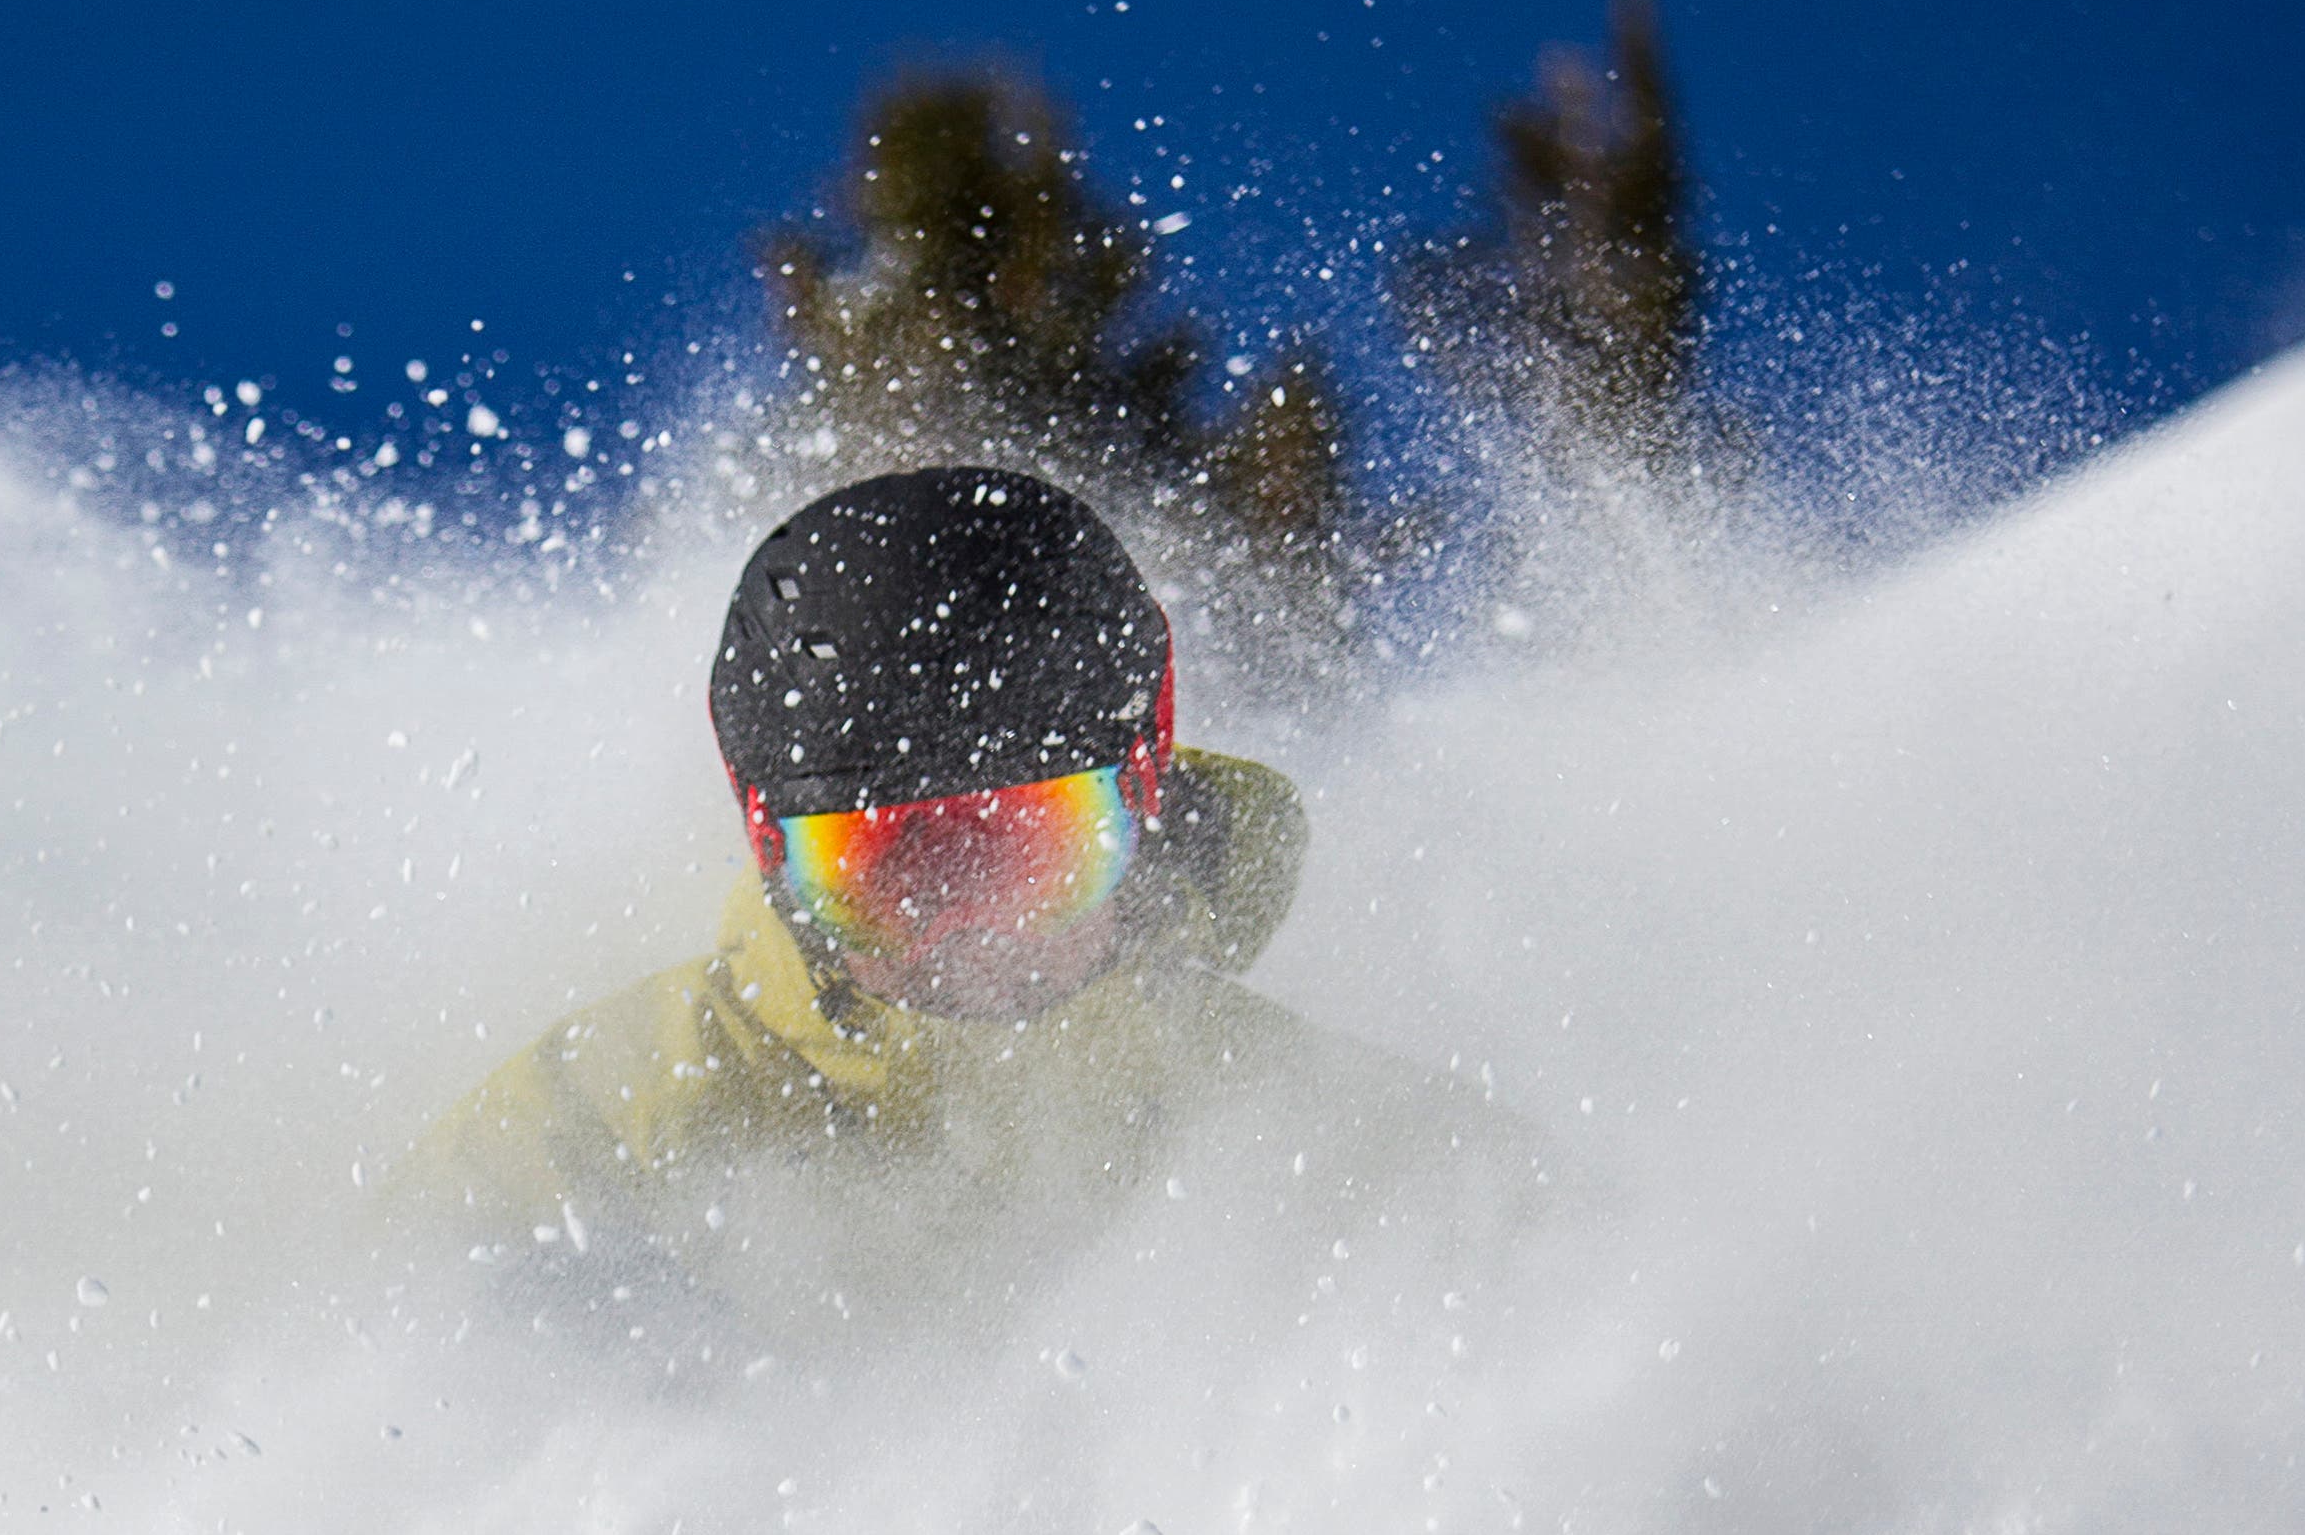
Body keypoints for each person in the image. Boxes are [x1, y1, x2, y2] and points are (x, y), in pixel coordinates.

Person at [400, 463, 1528, 1335]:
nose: (969, 934)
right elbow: (369, 1363)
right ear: (772, 851)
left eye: (1030, 852)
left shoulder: (1321, 1131)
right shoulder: (606, 1122)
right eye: (886, 873)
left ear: (1144, 790)